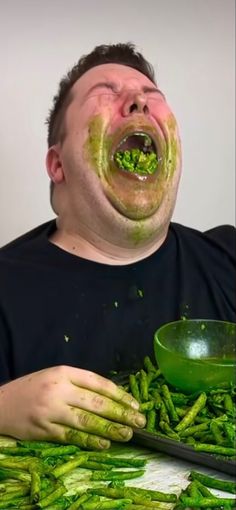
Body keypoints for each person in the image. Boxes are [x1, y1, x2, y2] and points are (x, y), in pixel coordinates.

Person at [0, 43, 235, 449]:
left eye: (152, 96)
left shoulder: (229, 256)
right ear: (58, 165)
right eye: (105, 93)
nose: (138, 102)